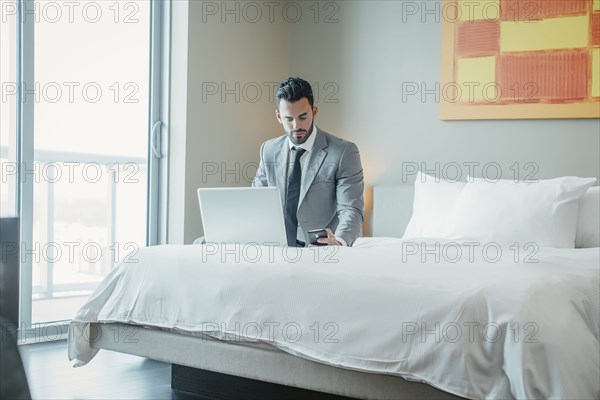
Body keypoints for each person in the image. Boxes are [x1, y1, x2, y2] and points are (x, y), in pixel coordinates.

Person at [252, 77, 364, 246]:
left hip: (319, 249)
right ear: (278, 117)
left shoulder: (343, 152)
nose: (296, 125)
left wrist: (339, 242)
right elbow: (256, 201)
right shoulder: (268, 150)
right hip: (275, 247)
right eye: (288, 119)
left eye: (303, 117)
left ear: (314, 112)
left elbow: (350, 209)